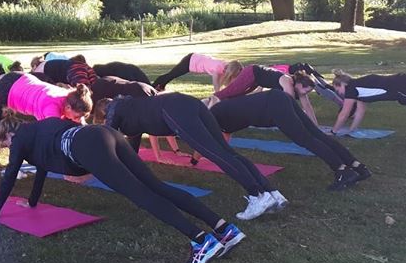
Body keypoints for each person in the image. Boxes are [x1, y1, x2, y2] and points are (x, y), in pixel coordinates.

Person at [0, 111, 246, 263]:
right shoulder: (41, 126)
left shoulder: (20, 139)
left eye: (6, 143)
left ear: (10, 134)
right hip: (104, 132)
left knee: (142, 195)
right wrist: (32, 202)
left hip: (88, 146)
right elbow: (42, 169)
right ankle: (224, 229)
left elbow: (10, 175)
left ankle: (201, 240)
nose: (9, 148)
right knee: (156, 186)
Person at [96, 93, 288, 220]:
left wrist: (103, 165)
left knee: (214, 153)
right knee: (226, 151)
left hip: (172, 110)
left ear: (103, 112)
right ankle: (273, 193)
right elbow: (132, 145)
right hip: (188, 102)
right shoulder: (130, 106)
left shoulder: (114, 110)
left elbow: (105, 137)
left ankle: (257, 195)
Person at [209, 90, 372, 191]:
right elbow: (225, 136)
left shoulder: (212, 116)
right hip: (278, 97)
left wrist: (199, 158)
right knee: (317, 135)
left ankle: (342, 171)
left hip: (273, 105)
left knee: (306, 140)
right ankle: (358, 167)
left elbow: (217, 140)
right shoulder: (219, 112)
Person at [0, 72, 93, 133]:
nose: (79, 119)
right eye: (78, 116)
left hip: (23, 78)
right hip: (7, 88)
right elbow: (53, 135)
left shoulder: (72, 96)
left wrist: (82, 125)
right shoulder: (51, 108)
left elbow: (77, 117)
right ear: (68, 108)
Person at [212, 65, 319, 122]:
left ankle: (222, 110)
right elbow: (289, 105)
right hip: (252, 72)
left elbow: (308, 107)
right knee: (230, 92)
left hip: (256, 80)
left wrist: (316, 128)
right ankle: (209, 103)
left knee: (237, 96)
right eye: (307, 91)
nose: (306, 94)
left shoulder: (299, 89)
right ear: (300, 85)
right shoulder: (288, 81)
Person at [153, 54, 239, 92]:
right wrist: (219, 95)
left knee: (171, 75)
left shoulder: (224, 66)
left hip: (194, 59)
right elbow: (216, 85)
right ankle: (152, 87)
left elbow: (224, 82)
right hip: (190, 61)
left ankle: (161, 87)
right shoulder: (218, 67)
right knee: (171, 75)